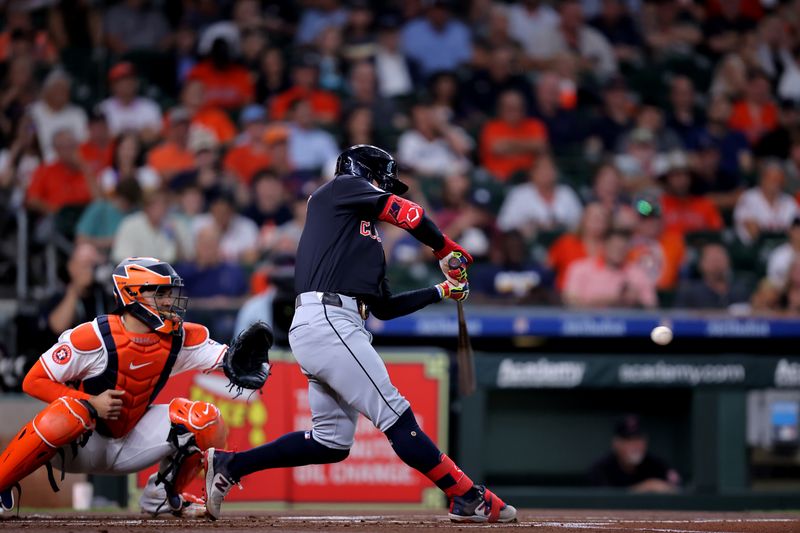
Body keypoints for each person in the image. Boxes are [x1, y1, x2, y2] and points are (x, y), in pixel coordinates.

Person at [203, 145, 517, 523]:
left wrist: (442, 291)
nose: (385, 188)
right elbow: (411, 214)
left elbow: (384, 307)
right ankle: (466, 496)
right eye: (382, 180)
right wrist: (444, 247)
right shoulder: (339, 188)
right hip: (328, 320)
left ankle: (230, 465)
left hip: (334, 323)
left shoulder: (364, 241)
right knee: (397, 415)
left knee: (330, 442)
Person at [0, 257, 230, 516]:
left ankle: (162, 497)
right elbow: (33, 381)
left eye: (170, 293)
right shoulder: (92, 336)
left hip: (132, 441)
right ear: (132, 294)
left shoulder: (178, 336)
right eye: (160, 293)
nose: (169, 301)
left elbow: (230, 360)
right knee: (70, 410)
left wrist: (247, 361)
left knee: (206, 419)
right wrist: (91, 402)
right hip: (81, 444)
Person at [563, 229, 657, 308]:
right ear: (604, 246)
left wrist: (636, 302)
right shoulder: (580, 268)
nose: (618, 252)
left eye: (622, 248)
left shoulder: (638, 273)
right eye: (614, 247)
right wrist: (613, 300)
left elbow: (651, 308)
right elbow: (571, 303)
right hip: (584, 326)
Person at [496, 154, 583, 239]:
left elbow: (581, 223)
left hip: (562, 242)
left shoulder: (566, 192)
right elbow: (503, 225)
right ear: (532, 173)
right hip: (528, 244)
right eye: (542, 169)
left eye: (550, 169)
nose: (546, 173)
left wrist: (562, 226)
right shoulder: (519, 194)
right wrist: (525, 226)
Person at [588, 415, 681, 493]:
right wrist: (646, 487)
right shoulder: (601, 469)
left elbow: (676, 491)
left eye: (638, 439)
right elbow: (605, 501)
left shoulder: (657, 465)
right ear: (616, 443)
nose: (635, 446)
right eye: (628, 440)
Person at [479, 89, 548, 182]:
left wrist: (509, 145)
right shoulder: (491, 127)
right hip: (500, 179)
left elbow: (541, 145)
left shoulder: (534, 125)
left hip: (531, 179)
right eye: (509, 108)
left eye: (518, 108)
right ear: (500, 109)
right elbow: (498, 148)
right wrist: (529, 146)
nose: (514, 112)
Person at [733, 160, 798, 245]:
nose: (776, 183)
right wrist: (783, 231)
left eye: (779, 179)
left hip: (784, 247)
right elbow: (753, 231)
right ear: (763, 179)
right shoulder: (748, 197)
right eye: (772, 179)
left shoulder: (789, 201)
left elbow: (797, 229)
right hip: (754, 248)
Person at [98, 62, 163, 144]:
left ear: (136, 82)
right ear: (112, 86)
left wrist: (119, 134)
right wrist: (137, 134)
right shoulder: (103, 108)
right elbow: (100, 138)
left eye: (130, 80)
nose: (126, 85)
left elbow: (155, 136)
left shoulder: (150, 107)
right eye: (121, 81)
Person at [674, 243, 750, 309]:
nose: (717, 264)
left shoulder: (740, 291)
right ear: (701, 264)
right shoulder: (690, 293)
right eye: (713, 259)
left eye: (720, 258)